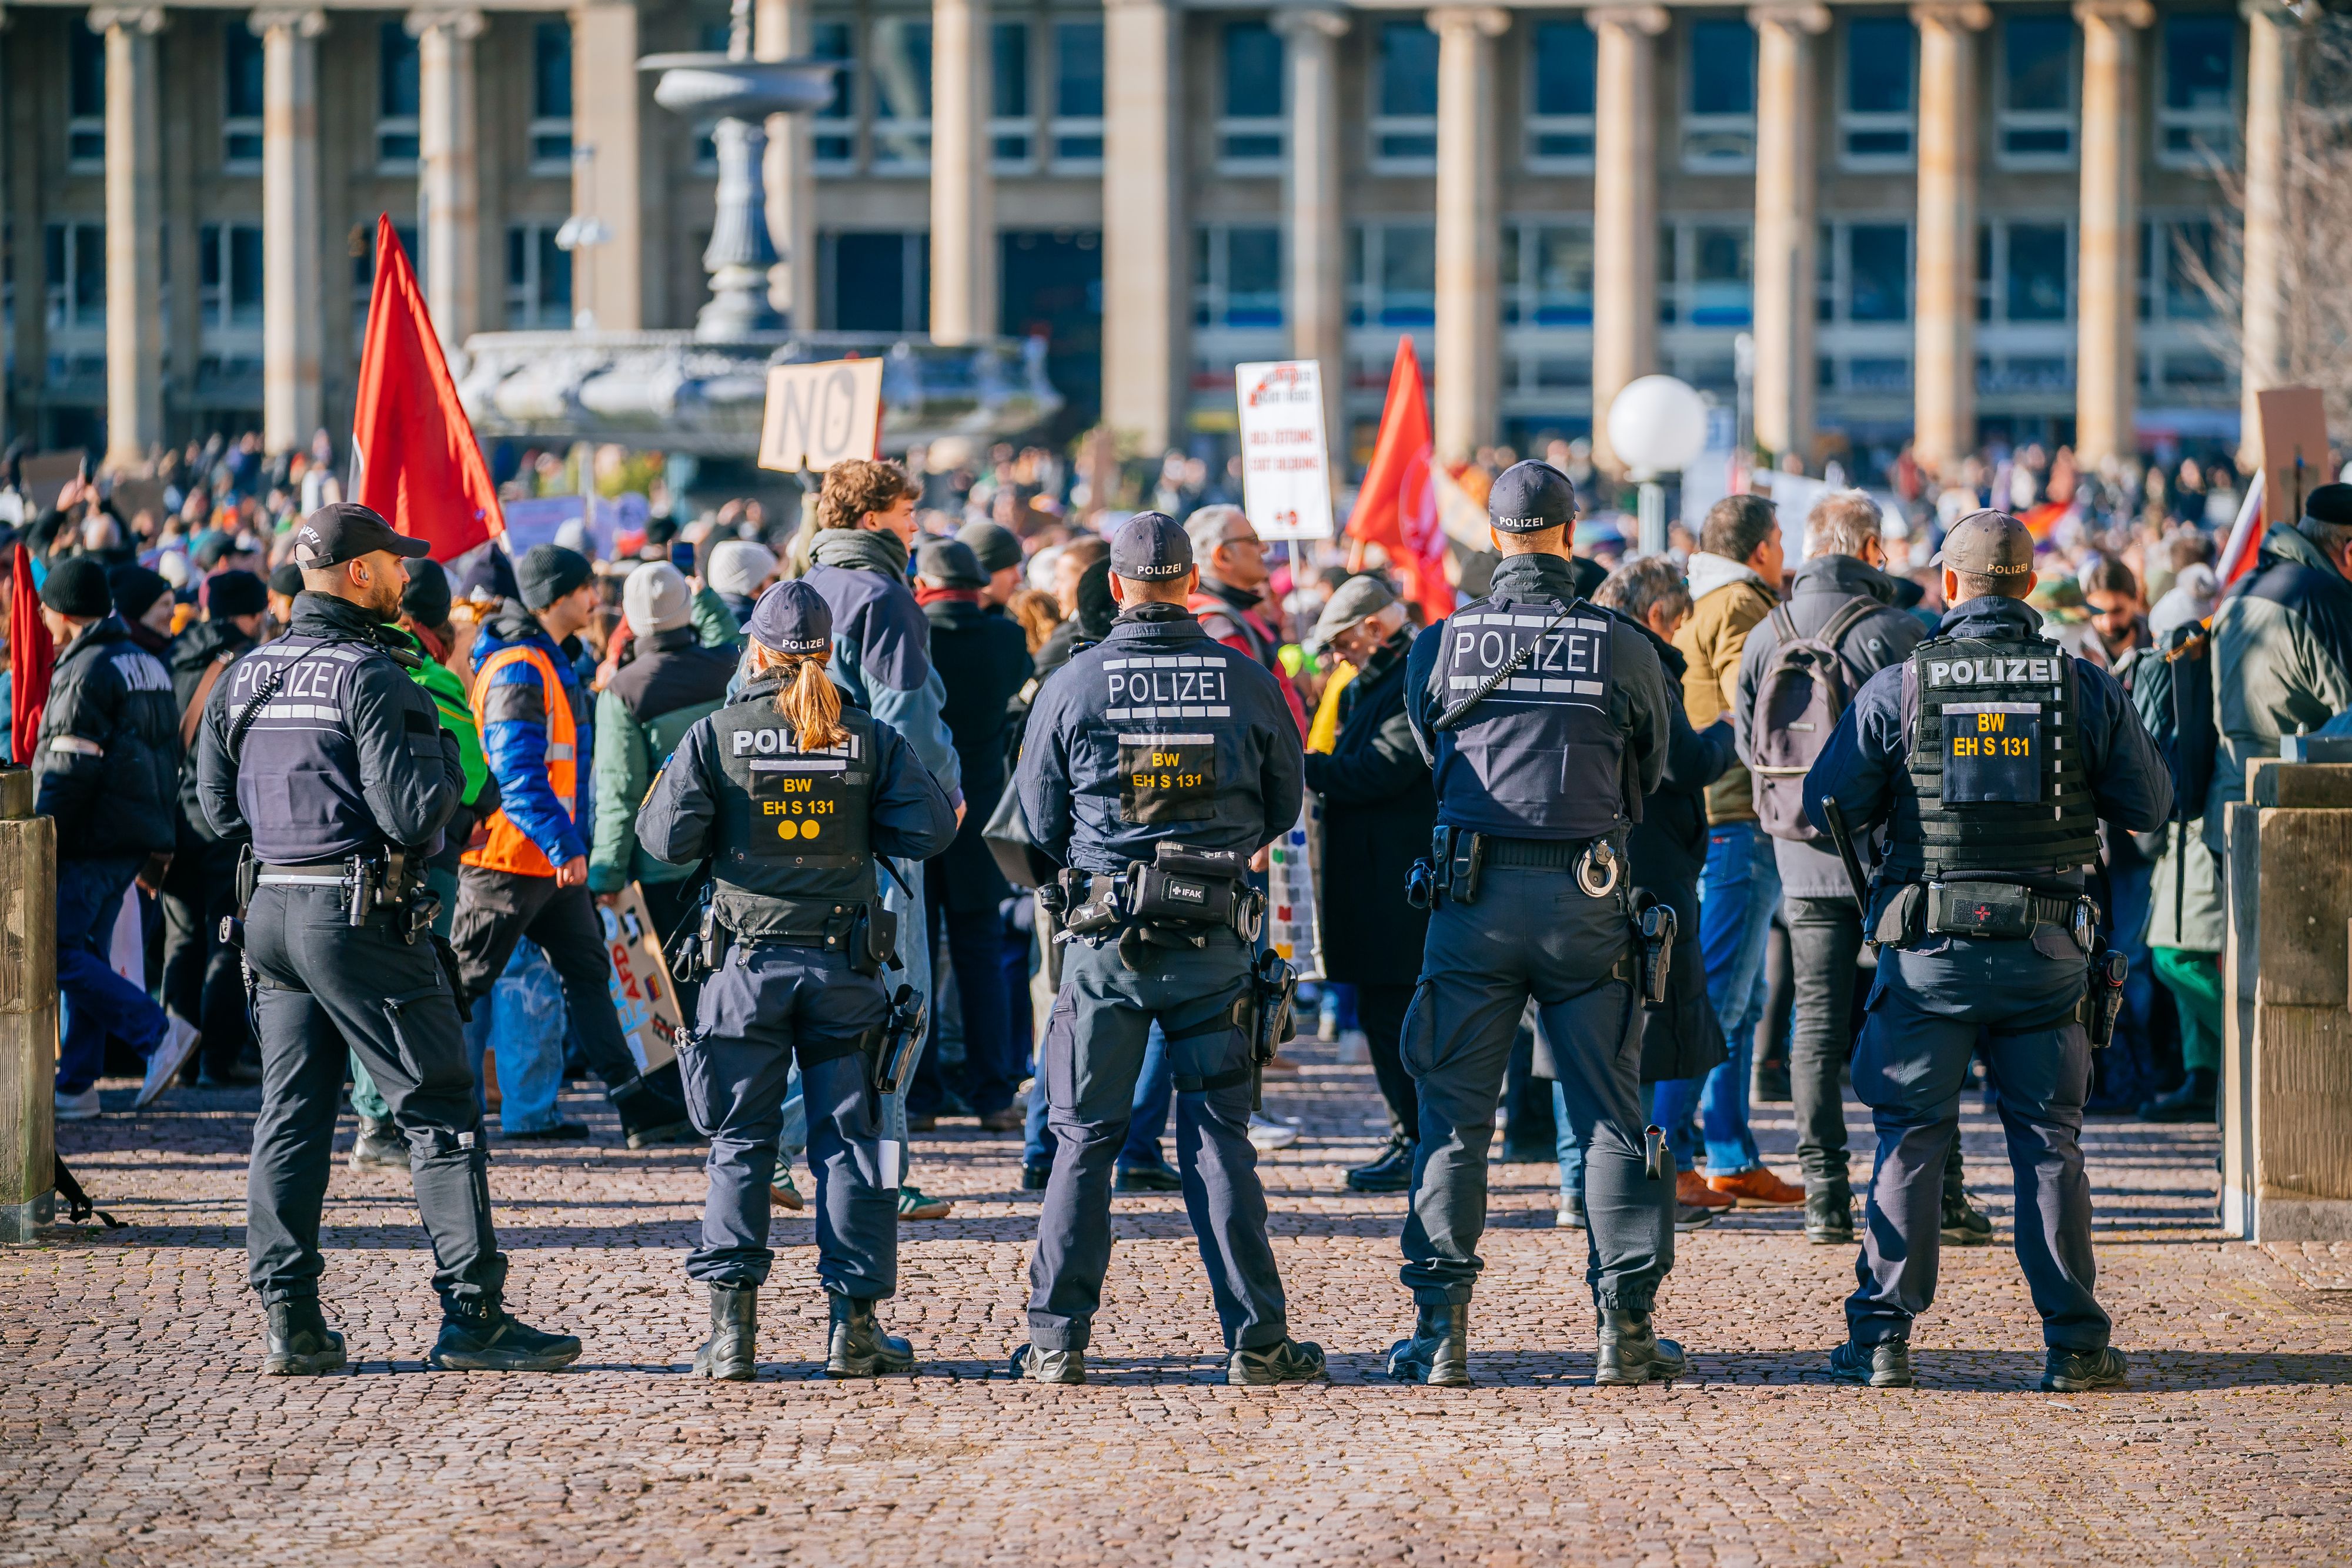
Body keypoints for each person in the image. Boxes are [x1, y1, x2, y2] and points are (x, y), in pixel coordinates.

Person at [193, 503, 580, 1375]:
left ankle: (292, 1319)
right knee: (440, 1107)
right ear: (360, 573)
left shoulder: (245, 673)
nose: (408, 578)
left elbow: (216, 811)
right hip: (359, 916)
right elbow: (414, 814)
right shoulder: (373, 675)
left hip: (272, 916)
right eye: (396, 563)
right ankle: (474, 1316)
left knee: (291, 1114)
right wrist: (444, 753)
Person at [1803, 509, 2171, 1392]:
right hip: (2048, 950)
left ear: (1953, 586)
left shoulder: (1901, 687)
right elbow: (2149, 805)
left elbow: (1825, 802)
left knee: (1910, 1137)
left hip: (1928, 952)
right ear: (2031, 587)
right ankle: (2077, 1343)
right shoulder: (2081, 684)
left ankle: (1883, 1337)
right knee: (2049, 1143)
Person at [1011, 511, 1324, 1386]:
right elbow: (1283, 802)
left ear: (1115, 587)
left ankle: (1054, 1341)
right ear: (1192, 584)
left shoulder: (1073, 683)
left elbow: (1037, 821)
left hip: (1106, 944)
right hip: (1216, 933)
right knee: (1220, 1137)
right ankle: (1258, 1341)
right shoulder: (1246, 678)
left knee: (1084, 1139)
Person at [1387, 460, 1679, 1388]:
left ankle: (1440, 1336)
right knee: (1607, 1118)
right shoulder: (1622, 642)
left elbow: (1433, 751)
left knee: (1454, 1118)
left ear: (1495, 536)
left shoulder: (1442, 640)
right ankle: (1624, 1334)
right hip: (1589, 896)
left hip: (1470, 902)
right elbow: (1654, 764)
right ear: (1570, 527)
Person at [636, 580, 958, 1379]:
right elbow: (933, 826)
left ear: (757, 649)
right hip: (845, 967)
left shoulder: (717, 733)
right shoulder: (870, 735)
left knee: (740, 1142)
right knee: (852, 1144)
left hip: (744, 967)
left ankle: (732, 1335)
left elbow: (665, 838)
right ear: (829, 651)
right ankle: (854, 1333)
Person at [449, 543, 697, 1148]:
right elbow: (518, 774)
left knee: (588, 977)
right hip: (512, 861)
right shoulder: (519, 666)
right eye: (587, 588)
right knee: (460, 989)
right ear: (558, 599)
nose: (597, 599)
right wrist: (567, 847)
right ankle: (418, 1113)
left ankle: (637, 1106)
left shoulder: (539, 658)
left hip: (538, 859)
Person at [1731, 492, 1926, 1245]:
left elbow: (1748, 739)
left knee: (1813, 1022)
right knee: (1912, 1017)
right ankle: (1925, 1192)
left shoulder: (1765, 632)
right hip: (1886, 860)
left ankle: (1824, 1195)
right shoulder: (1895, 631)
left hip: (1799, 852)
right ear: (1871, 551)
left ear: (1810, 549)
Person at [1556, 556, 1735, 1234]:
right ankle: (1633, 1188)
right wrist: (1728, 734)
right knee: (1645, 1028)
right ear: (1659, 614)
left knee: (1584, 1032)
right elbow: (1681, 762)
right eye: (1681, 622)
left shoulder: (1579, 645)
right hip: (1650, 866)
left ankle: (1577, 1187)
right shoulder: (1642, 657)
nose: (1682, 634)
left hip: (1585, 866)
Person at [803, 459, 963, 1217]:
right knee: (901, 1003)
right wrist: (941, 800)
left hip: (793, 830)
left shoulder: (789, 595)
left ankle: (771, 1160)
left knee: (804, 999)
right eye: (907, 511)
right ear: (872, 520)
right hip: (878, 830)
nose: (916, 524)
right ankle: (888, 1174)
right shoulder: (882, 598)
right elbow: (910, 722)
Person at [1660, 494, 1800, 1209]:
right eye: (1779, 540)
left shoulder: (1709, 599)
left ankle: (1728, 1153)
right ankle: (1673, 1154)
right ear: (1759, 550)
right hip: (1737, 816)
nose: (1784, 552)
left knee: (1737, 1001)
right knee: (1718, 996)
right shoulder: (1742, 605)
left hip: (1730, 816)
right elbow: (1765, 713)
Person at [37, 555, 201, 1120]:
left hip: (92, 837)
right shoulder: (145, 660)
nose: (38, 613)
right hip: (134, 835)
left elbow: (67, 768)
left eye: (45, 605)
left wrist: (40, 834)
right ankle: (76, 1084)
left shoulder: (86, 669)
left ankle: (157, 1032)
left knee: (51, 951)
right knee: (86, 954)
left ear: (65, 612)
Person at [1298, 575, 1434, 1195]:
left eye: (1341, 640)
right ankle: (1408, 1135)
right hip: (1376, 886)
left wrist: (1303, 768)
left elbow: (1382, 770)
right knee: (1385, 1018)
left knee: (1394, 1018)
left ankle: (1416, 1140)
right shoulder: (1371, 684)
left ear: (1374, 629)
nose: (1336, 655)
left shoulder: (1409, 680)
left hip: (1394, 893)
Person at [908, 537, 1034, 1132]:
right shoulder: (1006, 637)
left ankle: (921, 1093)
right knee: (979, 955)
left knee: (915, 956)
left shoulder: (911, 637)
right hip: (980, 811)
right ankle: (991, 1093)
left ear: (923, 586)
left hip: (916, 809)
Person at [590, 560, 737, 961]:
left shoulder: (624, 690)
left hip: (663, 865)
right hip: (734, 854)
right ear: (688, 610)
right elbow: (728, 637)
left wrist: (606, 873)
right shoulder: (729, 665)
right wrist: (704, 598)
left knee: (680, 992)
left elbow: (620, 792)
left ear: (631, 618)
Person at [160, 567, 269, 1088]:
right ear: (249, 614)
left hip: (174, 821)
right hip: (223, 821)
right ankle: (216, 1060)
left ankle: (175, 1056)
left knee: (181, 943)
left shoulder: (174, 656)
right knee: (228, 937)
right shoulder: (248, 665)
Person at [1182, 504, 1309, 735]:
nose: (1264, 548)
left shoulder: (1225, 615)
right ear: (1223, 555)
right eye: (1252, 540)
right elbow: (1241, 725)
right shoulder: (1220, 626)